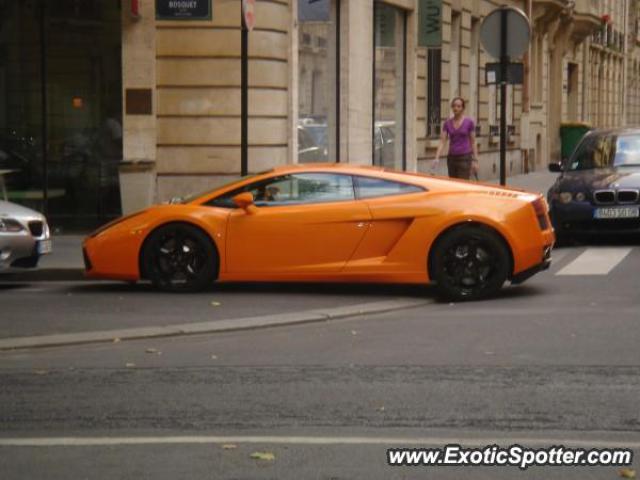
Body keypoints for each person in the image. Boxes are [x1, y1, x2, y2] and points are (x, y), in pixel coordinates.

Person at [431, 97, 479, 179]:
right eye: (454, 106)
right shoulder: (447, 123)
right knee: (453, 183)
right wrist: (436, 158)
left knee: (462, 184)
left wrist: (476, 160)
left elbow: (473, 142)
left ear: (463, 108)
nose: (455, 108)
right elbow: (442, 141)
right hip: (451, 158)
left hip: (465, 158)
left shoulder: (469, 122)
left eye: (458, 106)